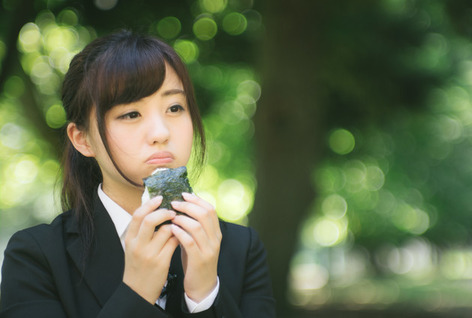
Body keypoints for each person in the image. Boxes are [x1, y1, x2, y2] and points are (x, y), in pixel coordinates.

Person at [0, 30, 276, 317]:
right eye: (131, 114)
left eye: (174, 107)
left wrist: (204, 297)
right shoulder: (37, 257)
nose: (161, 133)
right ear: (82, 139)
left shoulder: (241, 249)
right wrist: (136, 293)